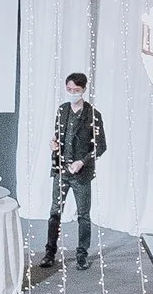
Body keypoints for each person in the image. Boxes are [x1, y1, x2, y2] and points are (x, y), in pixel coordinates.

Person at [42, 71, 105, 271]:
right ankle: (50, 252)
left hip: (81, 175)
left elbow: (101, 146)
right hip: (61, 171)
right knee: (55, 213)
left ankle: (82, 255)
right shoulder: (62, 110)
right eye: (69, 89)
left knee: (83, 216)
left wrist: (82, 162)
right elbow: (58, 136)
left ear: (84, 90)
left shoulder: (93, 115)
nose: (72, 93)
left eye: (76, 90)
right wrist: (53, 144)